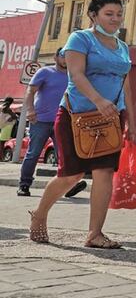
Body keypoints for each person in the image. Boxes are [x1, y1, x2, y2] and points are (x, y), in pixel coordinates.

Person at [28, 0, 136, 248]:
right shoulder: (80, 39)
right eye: (109, 13)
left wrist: (132, 120)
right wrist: (99, 100)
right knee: (71, 175)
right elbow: (76, 74)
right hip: (76, 115)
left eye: (119, 14)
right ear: (93, 15)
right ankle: (39, 214)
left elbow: (127, 85)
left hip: (111, 118)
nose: (115, 19)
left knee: (104, 172)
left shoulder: (122, 47)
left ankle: (94, 233)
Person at [18, 49, 86, 198]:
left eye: (67, 56)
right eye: (62, 56)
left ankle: (68, 186)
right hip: (40, 120)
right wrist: (30, 110)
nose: (65, 59)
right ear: (56, 57)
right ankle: (24, 185)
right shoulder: (44, 72)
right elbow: (30, 91)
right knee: (33, 153)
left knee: (64, 155)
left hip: (62, 122)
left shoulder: (74, 76)